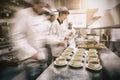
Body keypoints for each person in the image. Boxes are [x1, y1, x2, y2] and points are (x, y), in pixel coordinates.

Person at [10, 0, 65, 80]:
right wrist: (31, 52)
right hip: (30, 59)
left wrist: (57, 42)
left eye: (44, 6)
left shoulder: (41, 17)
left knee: (43, 77)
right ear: (34, 4)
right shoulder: (23, 14)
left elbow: (45, 36)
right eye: (40, 6)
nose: (42, 8)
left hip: (42, 57)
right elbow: (16, 36)